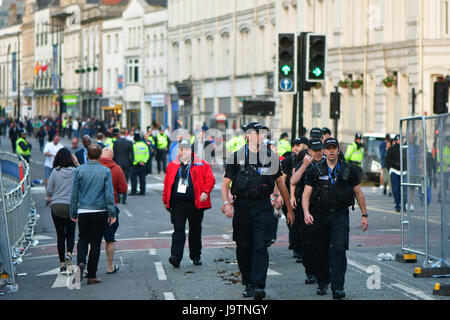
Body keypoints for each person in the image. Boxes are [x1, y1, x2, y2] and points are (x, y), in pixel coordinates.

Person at [221, 122, 295, 300]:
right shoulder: (236, 157)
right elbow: (225, 185)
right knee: (244, 247)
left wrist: (289, 209)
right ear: (247, 136)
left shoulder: (270, 157)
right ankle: (248, 282)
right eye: (256, 133)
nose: (260, 136)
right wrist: (226, 203)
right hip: (243, 207)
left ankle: (259, 285)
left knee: (260, 245)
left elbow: (280, 184)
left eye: (262, 133)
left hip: (262, 207)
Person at [302, 137, 368, 299]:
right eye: (328, 148)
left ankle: (338, 287)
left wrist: (364, 215)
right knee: (320, 250)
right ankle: (323, 281)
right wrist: (306, 212)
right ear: (324, 151)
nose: (331, 151)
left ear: (338, 150)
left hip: (340, 215)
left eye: (334, 148)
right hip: (320, 214)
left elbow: (358, 193)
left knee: (339, 249)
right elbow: (306, 194)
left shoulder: (348, 170)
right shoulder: (315, 170)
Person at [163, 140, 215, 268]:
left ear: (191, 151)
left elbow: (210, 180)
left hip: (195, 203)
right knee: (178, 230)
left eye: (185, 149)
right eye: (181, 149)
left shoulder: (202, 164)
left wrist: (205, 192)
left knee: (195, 230)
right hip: (177, 203)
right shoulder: (172, 165)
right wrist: (165, 200)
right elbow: (167, 184)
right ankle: (176, 256)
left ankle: (196, 256)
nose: (183, 152)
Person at [70, 143, 116, 285]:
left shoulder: (80, 170)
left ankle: (81, 262)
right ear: (100, 155)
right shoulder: (105, 171)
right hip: (100, 210)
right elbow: (109, 194)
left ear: (87, 155)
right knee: (96, 243)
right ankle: (92, 275)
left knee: (83, 240)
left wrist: (73, 211)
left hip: (83, 210)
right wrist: (112, 212)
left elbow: (74, 194)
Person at [290, 138, 324, 285]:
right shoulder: (303, 163)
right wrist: (304, 165)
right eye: (314, 150)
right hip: (306, 209)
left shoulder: (327, 163)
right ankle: (310, 271)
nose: (318, 153)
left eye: (319, 150)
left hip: (323, 208)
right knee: (308, 244)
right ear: (309, 151)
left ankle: (321, 272)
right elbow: (293, 180)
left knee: (323, 243)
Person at [46, 148, 77, 275]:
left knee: (60, 235)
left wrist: (54, 194)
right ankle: (69, 255)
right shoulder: (75, 171)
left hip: (56, 205)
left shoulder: (55, 171)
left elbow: (49, 189)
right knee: (70, 234)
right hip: (70, 206)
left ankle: (62, 265)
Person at [99, 147, 128, 274]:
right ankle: (109, 266)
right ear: (112, 156)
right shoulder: (116, 169)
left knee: (91, 239)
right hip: (110, 208)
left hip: (93, 208)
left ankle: (88, 266)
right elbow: (123, 189)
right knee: (110, 239)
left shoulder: (92, 167)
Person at [281, 137, 308, 259]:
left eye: (298, 145)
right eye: (294, 145)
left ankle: (301, 247)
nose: (295, 147)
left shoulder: (309, 159)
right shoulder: (288, 161)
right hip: (291, 195)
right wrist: (279, 195)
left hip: (304, 196)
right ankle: (296, 246)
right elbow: (283, 179)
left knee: (302, 224)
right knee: (294, 222)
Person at [385, 135, 406, 212]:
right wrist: (393, 165)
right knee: (396, 189)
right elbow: (387, 160)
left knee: (403, 190)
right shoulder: (391, 149)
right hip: (394, 171)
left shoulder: (404, 149)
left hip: (403, 172)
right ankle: (398, 205)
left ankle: (402, 204)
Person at [113, 129, 134, 204]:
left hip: (117, 163)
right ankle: (124, 198)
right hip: (126, 163)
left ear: (119, 134)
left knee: (117, 181)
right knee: (125, 181)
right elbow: (132, 154)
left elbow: (113, 153)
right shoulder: (129, 142)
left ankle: (118, 197)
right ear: (125, 134)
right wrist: (131, 163)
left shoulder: (115, 142)